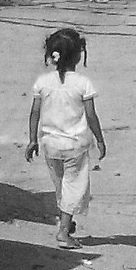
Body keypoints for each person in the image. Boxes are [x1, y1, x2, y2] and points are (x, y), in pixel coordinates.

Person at [25, 26, 106, 245]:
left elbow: (34, 112)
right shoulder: (82, 83)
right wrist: (100, 139)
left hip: (50, 145)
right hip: (75, 146)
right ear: (78, 56)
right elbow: (91, 115)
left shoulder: (42, 82)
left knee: (60, 185)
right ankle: (63, 231)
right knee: (74, 186)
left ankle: (65, 220)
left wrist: (33, 139)